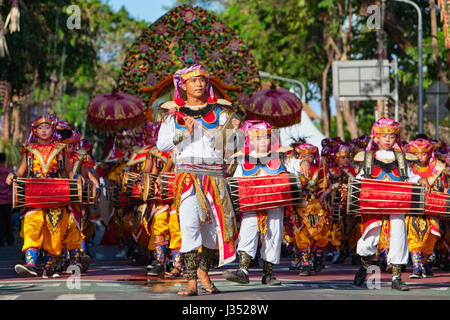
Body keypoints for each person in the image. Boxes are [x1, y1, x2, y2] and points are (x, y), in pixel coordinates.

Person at [157, 64, 239, 296]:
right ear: (183, 85)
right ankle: (191, 280)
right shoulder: (173, 114)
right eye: (193, 80)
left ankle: (204, 271)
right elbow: (161, 145)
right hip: (187, 177)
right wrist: (184, 134)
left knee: (214, 232)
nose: (199, 84)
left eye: (203, 79)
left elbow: (229, 146)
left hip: (214, 175)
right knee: (189, 226)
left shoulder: (221, 113)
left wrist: (231, 132)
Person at [345, 117, 430, 291]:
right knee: (370, 238)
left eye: (391, 136)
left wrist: (421, 179)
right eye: (384, 136)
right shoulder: (369, 157)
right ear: (377, 136)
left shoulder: (401, 158)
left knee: (399, 236)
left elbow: (409, 176)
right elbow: (361, 178)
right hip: (374, 206)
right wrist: (350, 186)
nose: (387, 140)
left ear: (396, 137)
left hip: (397, 204)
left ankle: (397, 277)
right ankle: (364, 266)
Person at [222, 121, 309, 284]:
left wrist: (303, 163)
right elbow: (236, 183)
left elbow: (294, 164)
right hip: (252, 207)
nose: (264, 141)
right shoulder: (243, 160)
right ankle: (242, 271)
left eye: (267, 138)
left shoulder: (279, 157)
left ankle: (268, 274)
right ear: (252, 141)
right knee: (247, 234)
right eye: (260, 138)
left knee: (273, 236)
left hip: (274, 206)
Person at [6, 115, 83, 278]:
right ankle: (31, 263)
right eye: (40, 128)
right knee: (33, 224)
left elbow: (68, 171)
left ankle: (51, 263)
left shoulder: (61, 148)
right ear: (35, 131)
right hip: (35, 193)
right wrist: (13, 175)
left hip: (56, 192)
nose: (44, 131)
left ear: (52, 130)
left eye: (47, 127)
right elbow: (21, 171)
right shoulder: (29, 149)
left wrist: (76, 178)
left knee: (54, 227)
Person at [404, 138, 446, 278]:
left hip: (432, 210)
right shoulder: (408, 170)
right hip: (413, 209)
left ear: (429, 154)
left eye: (423, 154)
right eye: (416, 154)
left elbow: (443, 188)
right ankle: (416, 267)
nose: (420, 157)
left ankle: (423, 263)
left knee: (430, 238)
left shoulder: (438, 169)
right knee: (414, 235)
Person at [0, 152, 14, 246]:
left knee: (0, 220)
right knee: (8, 220)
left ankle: (1, 240)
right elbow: (12, 186)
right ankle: (10, 239)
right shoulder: (8, 171)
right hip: (8, 199)